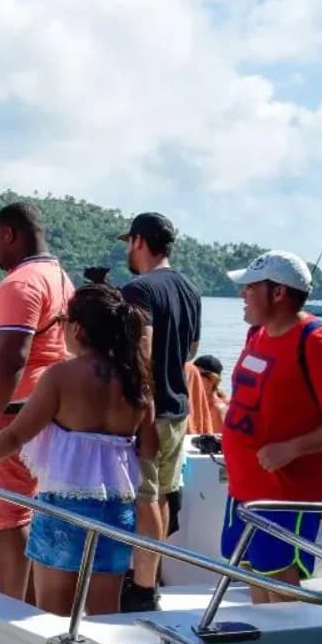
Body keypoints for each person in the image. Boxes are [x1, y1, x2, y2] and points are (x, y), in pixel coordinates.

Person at [0, 284, 156, 616]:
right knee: (106, 613)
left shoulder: (61, 376)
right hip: (116, 510)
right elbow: (149, 450)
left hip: (64, 509)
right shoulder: (138, 379)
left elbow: (13, 437)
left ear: (77, 328)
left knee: (52, 613)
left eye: (63, 320)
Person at [220, 251, 322, 602]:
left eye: (251, 287)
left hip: (287, 493)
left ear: (279, 294)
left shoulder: (317, 341)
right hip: (245, 489)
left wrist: (293, 448)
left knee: (281, 584)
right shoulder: (256, 333)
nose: (242, 294)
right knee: (253, 574)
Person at [0, 202, 76, 601]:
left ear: (10, 234)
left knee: (9, 517)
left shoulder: (21, 283)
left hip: (11, 417)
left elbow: (12, 357)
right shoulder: (60, 279)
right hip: (39, 413)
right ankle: (30, 603)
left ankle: (13, 607)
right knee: (25, 508)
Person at [118, 212, 201, 612]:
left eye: (128, 244)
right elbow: (191, 352)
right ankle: (149, 577)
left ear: (138, 241)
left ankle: (142, 589)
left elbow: (143, 352)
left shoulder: (138, 290)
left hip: (150, 413)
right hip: (178, 409)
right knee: (163, 496)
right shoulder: (190, 289)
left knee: (145, 499)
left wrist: (143, 410)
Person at [187, 355, 227, 435]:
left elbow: (221, 444)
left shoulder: (218, 409)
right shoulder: (194, 402)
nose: (193, 378)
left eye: (197, 375)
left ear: (212, 380)